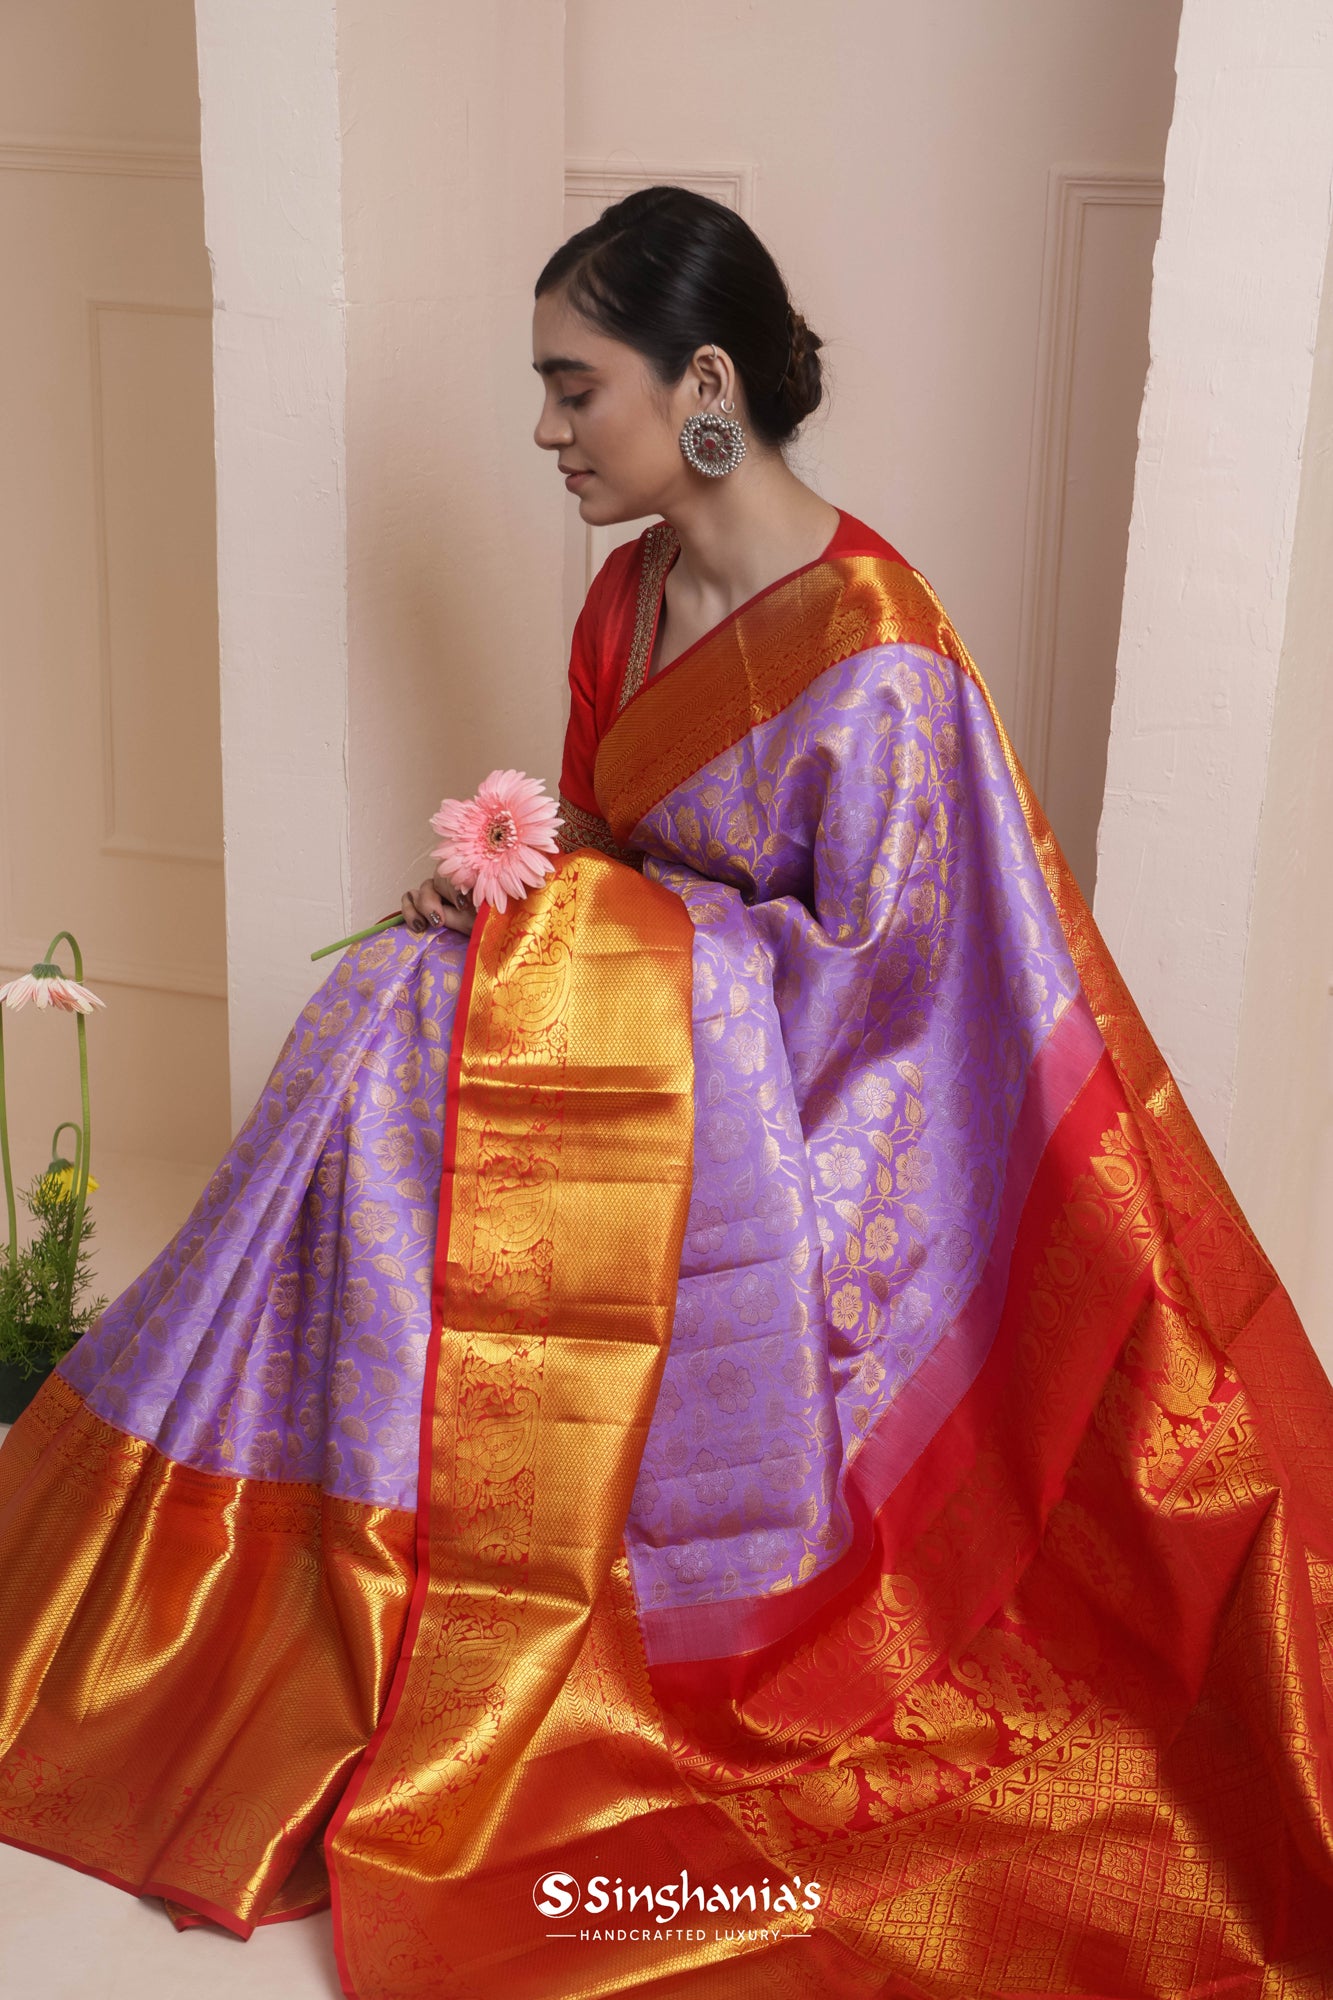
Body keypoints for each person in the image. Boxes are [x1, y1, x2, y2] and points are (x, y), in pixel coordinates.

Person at [0, 183, 1330, 2000]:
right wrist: (509, 909)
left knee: (397, 1028)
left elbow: (887, 985)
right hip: (655, 1074)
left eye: (573, 388)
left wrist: (569, 950)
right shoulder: (627, 600)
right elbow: (607, 851)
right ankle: (316, 1567)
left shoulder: (873, 647)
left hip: (828, 1125)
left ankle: (410, 1582)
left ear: (701, 382)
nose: (545, 434)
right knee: (378, 1016)